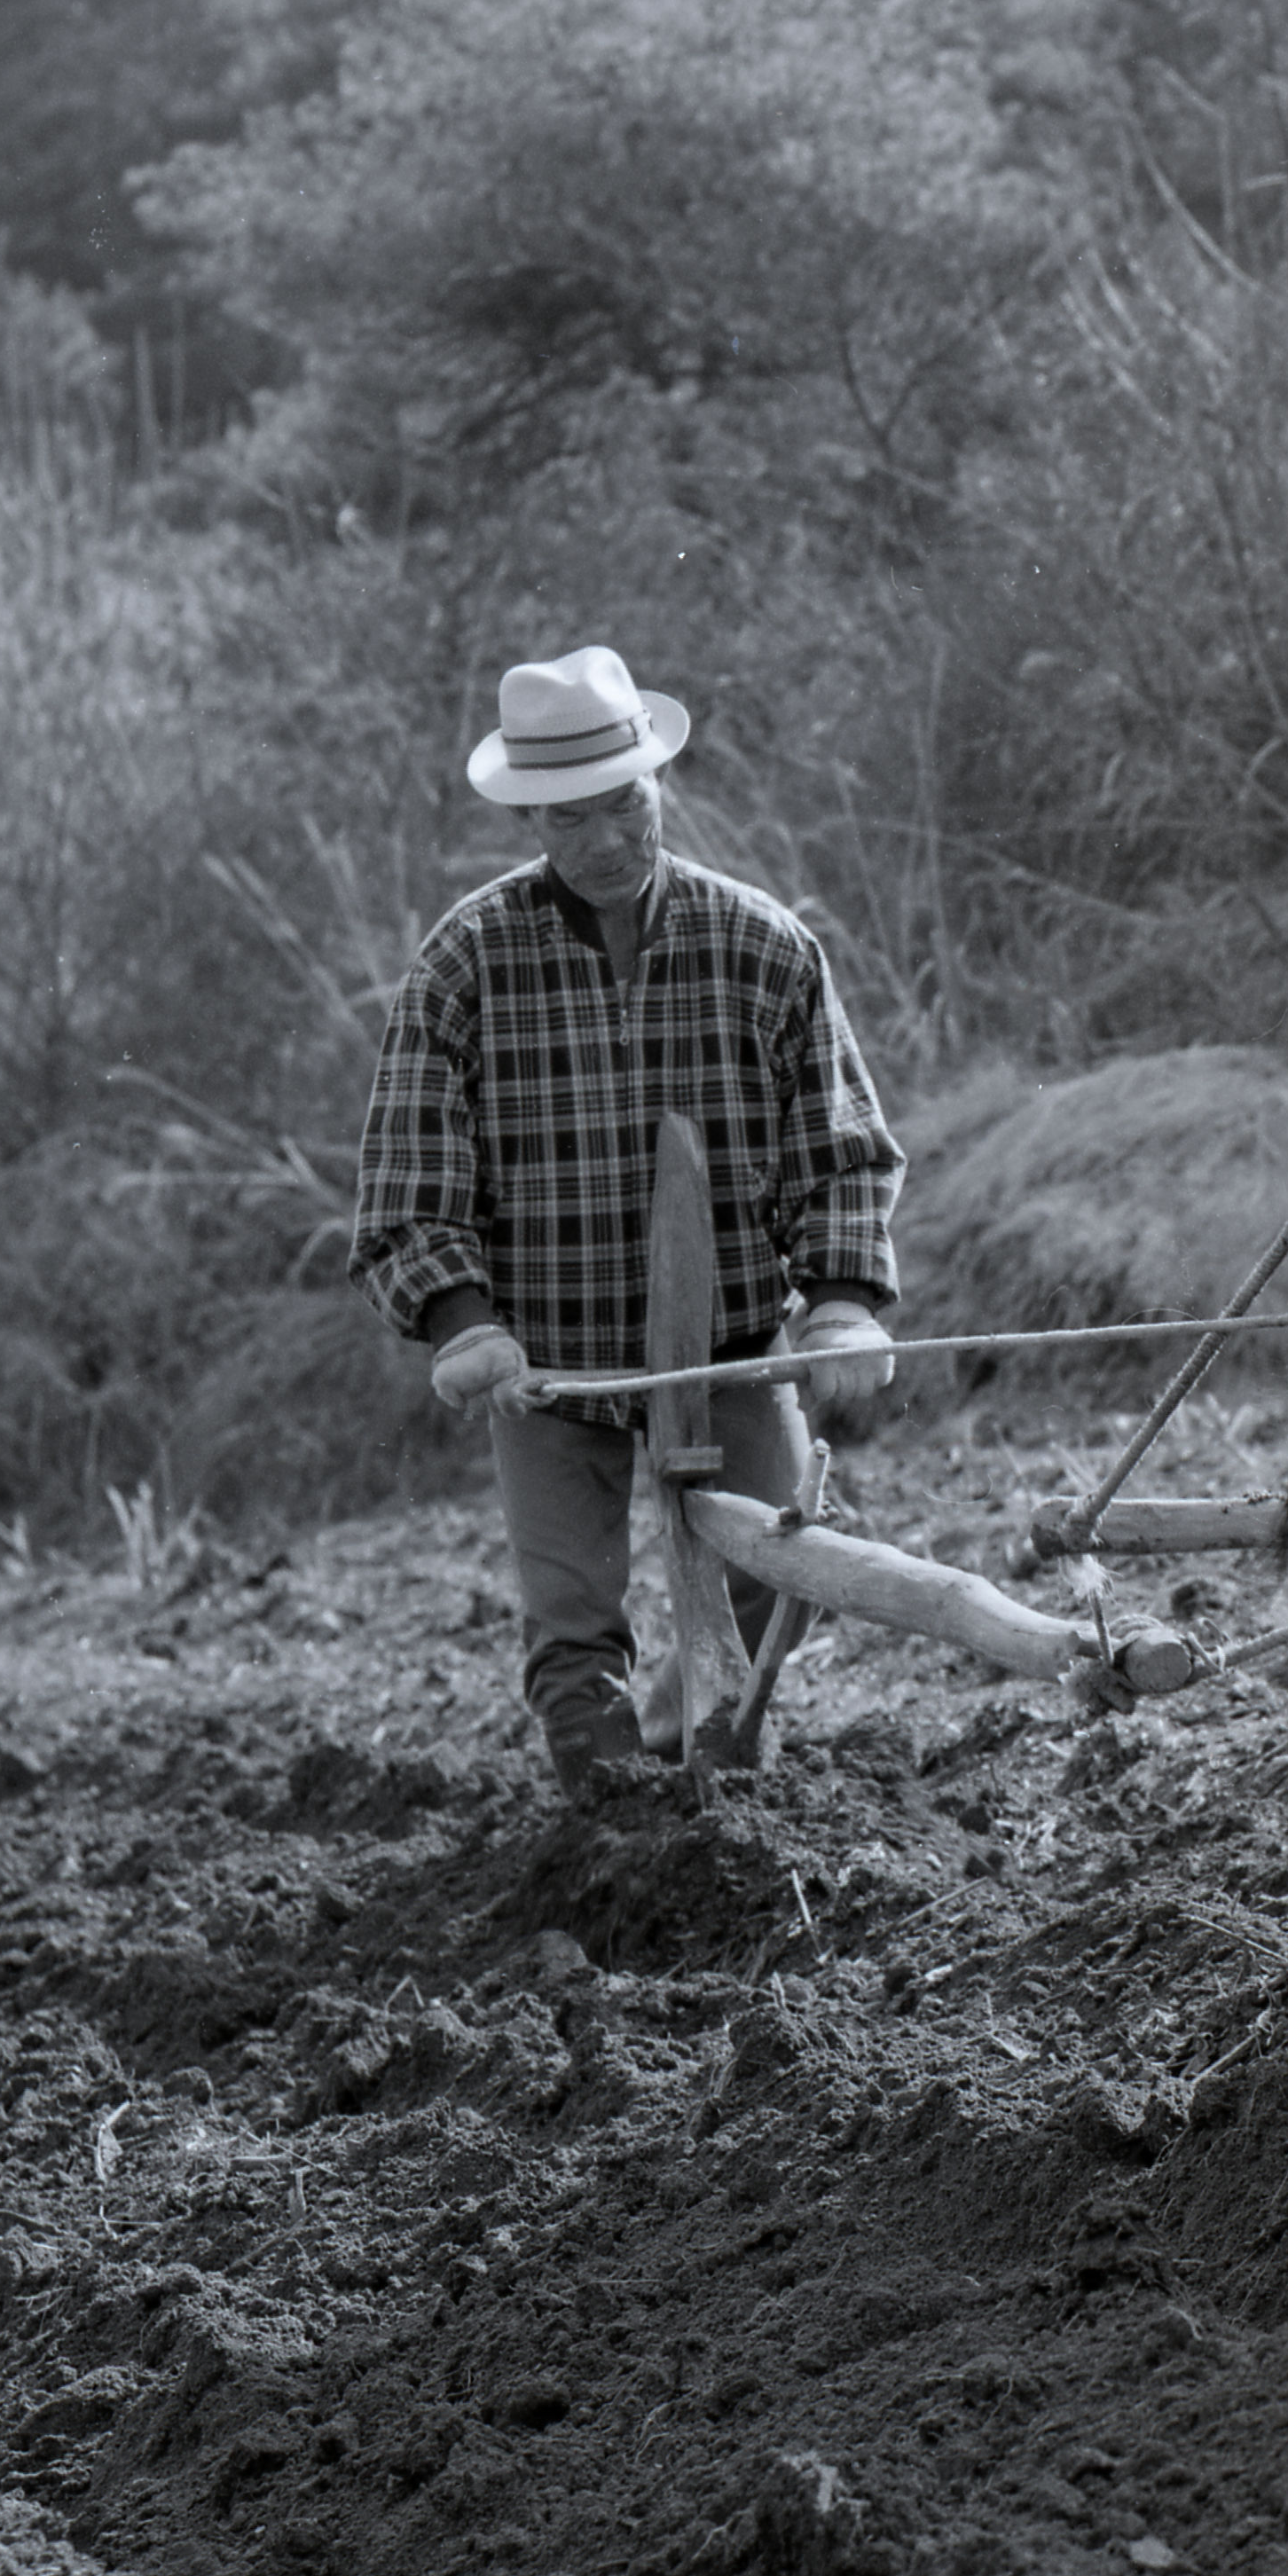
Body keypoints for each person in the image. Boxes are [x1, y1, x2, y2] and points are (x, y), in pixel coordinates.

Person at [354, 644, 902, 1803]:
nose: (607, 839)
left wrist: (844, 1303)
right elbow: (408, 1180)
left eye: (626, 805)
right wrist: (461, 1322)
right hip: (549, 1370)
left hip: (733, 1348)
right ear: (531, 820)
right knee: (572, 1626)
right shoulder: (464, 963)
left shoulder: (762, 946)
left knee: (781, 1574)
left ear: (657, 786)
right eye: (572, 818)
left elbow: (839, 1149)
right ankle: (606, 1820)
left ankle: (704, 1768)